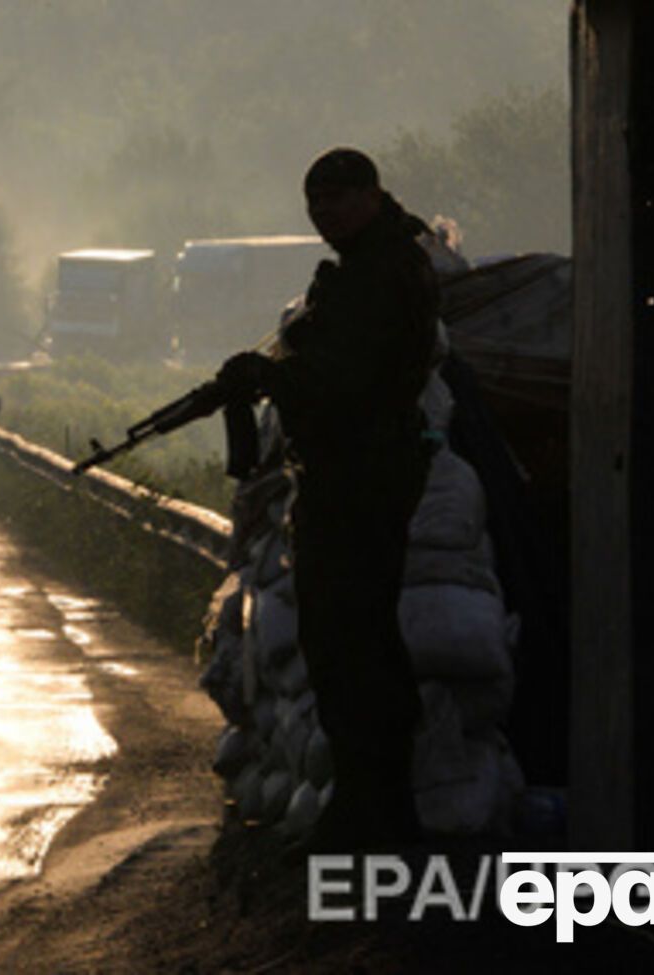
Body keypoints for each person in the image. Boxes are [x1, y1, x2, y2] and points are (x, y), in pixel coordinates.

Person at [215, 148, 439, 851]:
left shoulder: (383, 272)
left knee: (355, 644)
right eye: (316, 205)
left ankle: (379, 811)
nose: (325, 217)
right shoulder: (367, 267)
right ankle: (366, 804)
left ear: (372, 196)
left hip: (363, 478)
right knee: (341, 643)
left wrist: (272, 378)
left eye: (338, 201)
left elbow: (347, 379)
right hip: (350, 474)